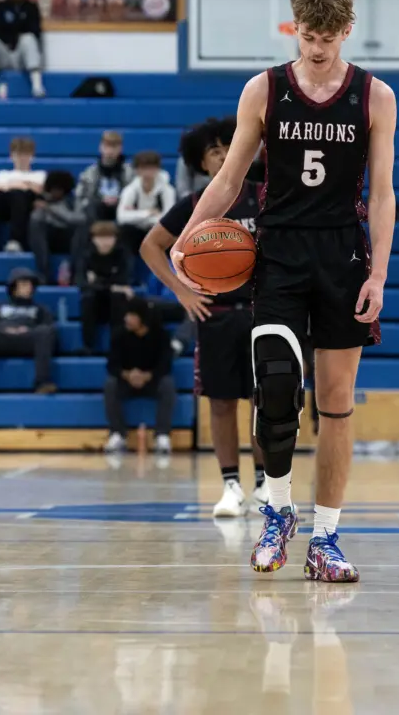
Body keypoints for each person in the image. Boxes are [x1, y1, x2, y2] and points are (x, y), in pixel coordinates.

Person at [170, 0, 397, 583]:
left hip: (343, 256)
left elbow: (382, 194)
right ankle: (277, 512)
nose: (317, 48)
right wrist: (188, 240)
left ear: (347, 31)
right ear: (294, 28)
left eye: (327, 37)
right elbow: (229, 179)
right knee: (274, 386)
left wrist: (379, 272)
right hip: (279, 254)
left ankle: (326, 539)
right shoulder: (264, 89)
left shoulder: (375, 96)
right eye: (308, 36)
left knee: (336, 404)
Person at [141, 117, 267, 518]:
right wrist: (181, 291)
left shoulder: (266, 195)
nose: (225, 155)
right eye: (215, 151)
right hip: (216, 315)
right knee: (222, 402)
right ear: (201, 162)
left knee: (265, 401)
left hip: (264, 311)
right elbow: (151, 246)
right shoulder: (195, 205)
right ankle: (231, 486)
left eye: (231, 146)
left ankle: (265, 484)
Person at [0, 267, 56, 394]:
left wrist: (27, 330)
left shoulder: (40, 309)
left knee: (45, 332)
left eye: (30, 285)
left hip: (28, 339)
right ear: (13, 287)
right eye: (24, 284)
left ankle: (43, 383)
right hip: (3, 339)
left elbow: (49, 329)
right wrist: (6, 329)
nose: (29, 288)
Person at [104, 298, 176, 455]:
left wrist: (148, 376)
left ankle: (162, 435)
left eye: (131, 315)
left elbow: (165, 364)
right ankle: (117, 434)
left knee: (167, 384)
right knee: (110, 384)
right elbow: (111, 365)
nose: (126, 319)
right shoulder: (119, 334)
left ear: (142, 318)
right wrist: (127, 374)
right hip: (127, 381)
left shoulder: (160, 335)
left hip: (151, 380)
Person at [0, 137, 46, 253]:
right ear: (12, 156)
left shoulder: (39, 175)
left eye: (25, 154)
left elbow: (40, 190)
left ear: (32, 156)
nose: (22, 158)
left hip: (25, 208)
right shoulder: (3, 174)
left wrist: (12, 184)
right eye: (18, 154)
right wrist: (26, 185)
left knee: (17, 195)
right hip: (4, 208)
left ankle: (16, 241)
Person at [75, 221, 132, 354]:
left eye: (109, 238)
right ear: (93, 239)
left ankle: (117, 346)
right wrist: (111, 285)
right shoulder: (86, 254)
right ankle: (88, 346)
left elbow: (123, 279)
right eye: (101, 238)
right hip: (95, 303)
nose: (105, 242)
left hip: (114, 303)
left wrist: (97, 281)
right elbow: (82, 282)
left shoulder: (122, 254)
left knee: (118, 297)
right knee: (88, 297)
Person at [117, 151, 175, 258]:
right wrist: (148, 213)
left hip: (157, 231)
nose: (148, 173)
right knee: (125, 231)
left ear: (158, 169)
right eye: (144, 168)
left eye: (152, 168)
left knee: (171, 234)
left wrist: (139, 217)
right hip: (138, 232)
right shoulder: (130, 190)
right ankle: (127, 266)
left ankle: (169, 266)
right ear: (137, 170)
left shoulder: (167, 190)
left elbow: (169, 218)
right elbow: (121, 217)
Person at [28, 170, 83, 282]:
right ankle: (43, 273)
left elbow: (77, 219)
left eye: (59, 190)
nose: (55, 192)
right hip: (48, 240)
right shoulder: (42, 201)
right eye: (53, 189)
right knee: (35, 226)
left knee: (81, 230)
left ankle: (76, 274)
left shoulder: (73, 202)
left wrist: (49, 209)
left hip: (69, 239)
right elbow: (36, 219)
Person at [75, 131, 133, 225]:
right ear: (100, 147)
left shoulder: (130, 172)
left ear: (120, 149)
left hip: (121, 208)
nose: (110, 151)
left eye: (114, 147)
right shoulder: (89, 172)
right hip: (96, 210)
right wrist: (99, 201)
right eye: (107, 146)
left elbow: (135, 198)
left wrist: (119, 200)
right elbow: (80, 197)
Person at [175, 116, 235, 200]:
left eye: (229, 150)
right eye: (216, 152)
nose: (224, 157)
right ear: (203, 164)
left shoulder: (253, 193)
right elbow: (183, 189)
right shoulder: (192, 203)